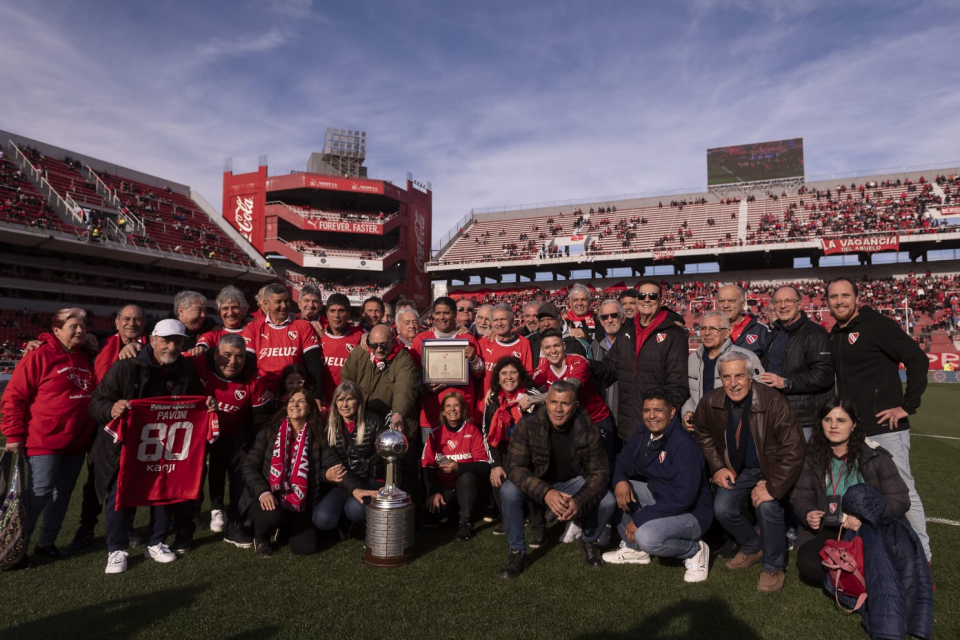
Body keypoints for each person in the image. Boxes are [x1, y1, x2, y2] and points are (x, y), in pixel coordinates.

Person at [791, 398, 932, 639]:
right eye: (828, 420)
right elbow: (801, 495)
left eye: (841, 420)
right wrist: (808, 512)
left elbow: (900, 501)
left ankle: (869, 581)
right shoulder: (813, 455)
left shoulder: (875, 456)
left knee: (878, 562)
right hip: (829, 526)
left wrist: (864, 516)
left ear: (854, 425)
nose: (833, 426)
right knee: (810, 566)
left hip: (870, 527)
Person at [87, 319, 209, 574]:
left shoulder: (186, 368)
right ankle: (117, 548)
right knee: (120, 495)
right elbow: (96, 401)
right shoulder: (125, 366)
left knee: (164, 490)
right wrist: (112, 408)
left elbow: (195, 399)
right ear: (152, 340)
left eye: (177, 341)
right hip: (125, 446)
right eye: (165, 340)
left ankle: (156, 541)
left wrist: (207, 404)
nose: (171, 346)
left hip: (165, 445)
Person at [826, 276, 932, 561]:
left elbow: (917, 359)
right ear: (827, 302)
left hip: (887, 428)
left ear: (857, 297)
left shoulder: (878, 325)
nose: (840, 301)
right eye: (833, 297)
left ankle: (922, 557)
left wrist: (907, 405)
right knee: (861, 492)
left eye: (845, 295)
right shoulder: (834, 335)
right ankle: (875, 552)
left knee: (901, 492)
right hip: (854, 432)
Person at [691, 351, 806, 592]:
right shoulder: (711, 401)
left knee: (766, 505)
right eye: (727, 377)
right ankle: (753, 546)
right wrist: (718, 466)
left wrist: (773, 486)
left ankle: (773, 565)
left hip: (771, 469)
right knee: (722, 508)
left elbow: (793, 448)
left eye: (739, 376)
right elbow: (702, 433)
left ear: (751, 376)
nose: (733, 383)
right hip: (738, 469)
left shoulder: (773, 401)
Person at [1, 308, 97, 565]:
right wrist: (13, 433)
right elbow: (13, 397)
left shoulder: (85, 356)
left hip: (77, 441)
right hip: (44, 440)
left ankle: (46, 543)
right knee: (40, 492)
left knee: (63, 492)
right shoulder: (38, 355)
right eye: (73, 326)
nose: (80, 330)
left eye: (83, 326)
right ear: (56, 330)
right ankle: (14, 546)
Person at [497, 381, 616, 579]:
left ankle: (588, 540)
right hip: (538, 482)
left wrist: (579, 501)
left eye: (565, 404)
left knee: (608, 500)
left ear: (575, 405)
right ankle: (517, 553)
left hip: (573, 482)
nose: (558, 409)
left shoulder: (590, 429)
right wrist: (546, 493)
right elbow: (515, 468)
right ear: (546, 402)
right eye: (553, 402)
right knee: (508, 491)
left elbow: (600, 474)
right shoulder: (528, 424)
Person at [603, 389, 713, 584]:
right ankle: (635, 550)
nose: (651, 416)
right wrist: (620, 480)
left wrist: (640, 519)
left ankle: (695, 550)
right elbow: (621, 460)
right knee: (614, 488)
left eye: (658, 410)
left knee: (647, 537)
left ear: (672, 413)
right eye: (647, 410)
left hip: (692, 512)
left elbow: (683, 497)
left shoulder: (684, 444)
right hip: (661, 498)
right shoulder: (644, 433)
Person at [189, 334, 272, 547]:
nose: (233, 362)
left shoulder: (254, 379)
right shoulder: (196, 363)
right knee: (191, 471)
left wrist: (248, 449)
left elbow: (260, 421)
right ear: (216, 354)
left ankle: (235, 523)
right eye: (227, 355)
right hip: (196, 430)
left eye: (239, 357)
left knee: (240, 468)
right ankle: (187, 520)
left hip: (234, 431)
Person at [591, 280, 689, 443]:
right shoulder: (626, 331)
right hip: (628, 427)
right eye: (642, 295)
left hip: (657, 426)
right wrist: (586, 364)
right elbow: (609, 368)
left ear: (661, 300)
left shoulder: (673, 334)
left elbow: (677, 383)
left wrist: (662, 416)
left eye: (652, 296)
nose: (646, 299)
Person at [241, 388, 325, 557]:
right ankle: (261, 537)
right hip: (265, 496)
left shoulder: (317, 436)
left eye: (301, 401)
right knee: (271, 515)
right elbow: (249, 466)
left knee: (305, 548)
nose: (295, 404)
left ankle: (283, 527)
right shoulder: (269, 430)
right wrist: (263, 492)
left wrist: (354, 488)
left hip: (297, 502)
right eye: (292, 401)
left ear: (310, 408)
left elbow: (332, 464)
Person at [341, 324, 420, 494]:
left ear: (393, 341)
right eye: (374, 345)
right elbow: (347, 382)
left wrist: (398, 413)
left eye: (383, 345)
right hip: (363, 421)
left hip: (392, 423)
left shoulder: (403, 358)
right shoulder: (359, 353)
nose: (378, 349)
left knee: (399, 469)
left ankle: (402, 503)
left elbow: (404, 387)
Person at [759, 286, 834, 441]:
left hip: (804, 420)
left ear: (800, 305)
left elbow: (824, 375)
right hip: (775, 415)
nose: (783, 305)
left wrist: (786, 382)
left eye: (788, 301)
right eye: (778, 301)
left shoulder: (815, 333)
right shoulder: (775, 333)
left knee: (805, 464)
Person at [312, 381, 384, 537]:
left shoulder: (374, 422)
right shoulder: (327, 426)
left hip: (370, 480)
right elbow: (325, 463)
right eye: (340, 399)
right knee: (322, 520)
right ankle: (345, 522)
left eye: (349, 399)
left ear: (358, 401)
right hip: (343, 483)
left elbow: (386, 458)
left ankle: (363, 524)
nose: (344, 404)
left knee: (356, 509)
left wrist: (387, 486)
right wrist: (326, 474)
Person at [410, 297, 486, 440]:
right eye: (438, 313)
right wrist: (423, 388)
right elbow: (413, 375)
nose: (442, 317)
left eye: (446, 313)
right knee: (431, 459)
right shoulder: (422, 339)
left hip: (462, 409)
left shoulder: (468, 339)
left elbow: (479, 373)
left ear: (454, 315)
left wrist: (473, 358)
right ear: (433, 315)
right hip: (431, 410)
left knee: (463, 457)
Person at [481, 356, 541, 536]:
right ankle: (509, 519)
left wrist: (530, 401)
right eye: (504, 373)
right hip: (505, 451)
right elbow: (487, 433)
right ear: (498, 378)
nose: (509, 377)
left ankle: (538, 524)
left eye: (513, 372)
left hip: (531, 454)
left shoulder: (531, 394)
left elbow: (545, 404)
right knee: (497, 476)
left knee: (532, 479)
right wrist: (495, 465)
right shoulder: (493, 399)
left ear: (520, 375)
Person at [422, 393, 491, 542]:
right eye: (448, 406)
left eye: (456, 405)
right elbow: (427, 467)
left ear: (463, 409)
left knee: (467, 477)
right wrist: (434, 492)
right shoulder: (435, 434)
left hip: (469, 486)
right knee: (433, 513)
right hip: (445, 487)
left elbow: (484, 466)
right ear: (442, 411)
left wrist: (459, 467)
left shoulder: (473, 431)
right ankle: (455, 514)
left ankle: (465, 524)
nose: (452, 409)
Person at [682, 311, 764, 430]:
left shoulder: (747, 357)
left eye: (713, 329)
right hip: (702, 430)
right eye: (703, 328)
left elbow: (760, 394)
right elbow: (692, 395)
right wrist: (688, 411)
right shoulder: (692, 360)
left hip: (736, 428)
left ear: (727, 332)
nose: (707, 333)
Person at [241, 283, 324, 390]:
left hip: (294, 393)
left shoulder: (302, 325)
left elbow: (313, 364)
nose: (284, 306)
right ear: (266, 304)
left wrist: (317, 395)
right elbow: (248, 364)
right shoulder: (253, 328)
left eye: (286, 301)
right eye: (278, 302)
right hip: (264, 391)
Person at [318, 293, 364, 404]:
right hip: (322, 402)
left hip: (347, 403)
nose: (336, 315)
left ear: (349, 314)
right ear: (327, 313)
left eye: (341, 311)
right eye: (332, 310)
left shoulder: (359, 337)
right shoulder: (317, 333)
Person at [479, 304, 533, 396]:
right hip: (485, 403)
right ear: (491, 323)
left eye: (503, 319)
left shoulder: (523, 343)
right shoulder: (482, 343)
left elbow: (527, 375)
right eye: (495, 320)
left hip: (511, 402)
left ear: (512, 321)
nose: (499, 323)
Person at [589, 299, 624, 431]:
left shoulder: (632, 344)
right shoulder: (594, 347)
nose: (609, 320)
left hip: (626, 418)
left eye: (614, 315)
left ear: (622, 317)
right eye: (604, 317)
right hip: (602, 419)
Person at [716, 284, 769, 359]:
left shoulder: (761, 331)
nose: (726, 305)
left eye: (731, 301)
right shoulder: (709, 330)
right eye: (721, 301)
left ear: (743, 304)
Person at [193, 286, 250, 354]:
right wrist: (200, 348)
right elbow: (202, 345)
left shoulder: (253, 330)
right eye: (225, 308)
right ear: (219, 312)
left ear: (243, 309)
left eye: (234, 307)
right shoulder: (213, 333)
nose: (230, 313)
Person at [528, 302, 588, 366]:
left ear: (559, 320)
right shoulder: (530, 341)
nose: (546, 324)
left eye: (550, 319)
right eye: (542, 320)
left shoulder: (578, 342)